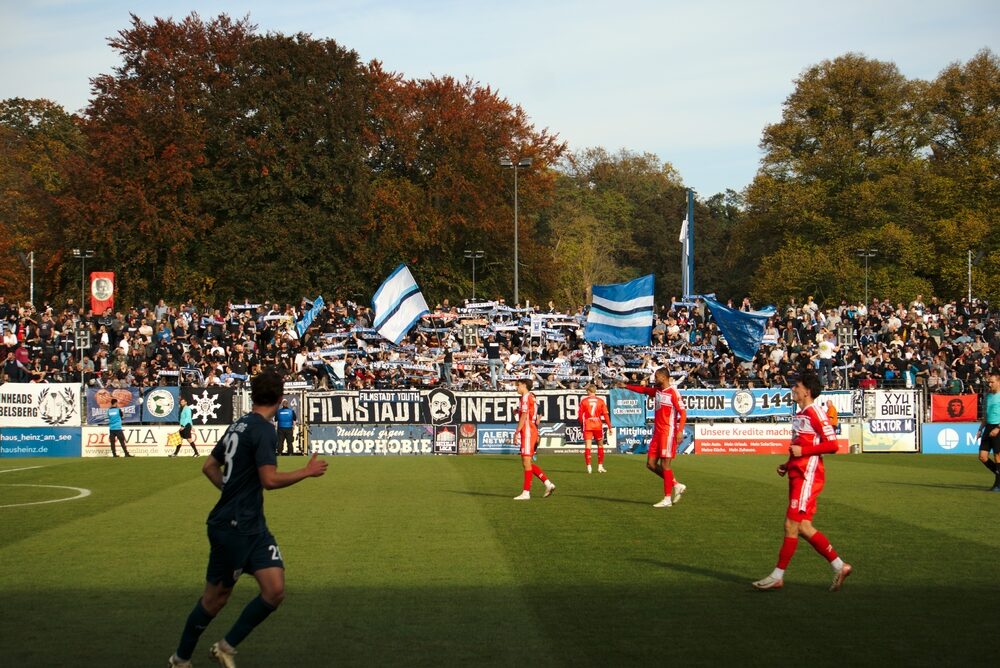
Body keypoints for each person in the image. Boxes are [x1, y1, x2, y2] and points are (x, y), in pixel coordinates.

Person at [168, 369, 328, 668]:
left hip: (252, 524)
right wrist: (306, 472)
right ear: (281, 399)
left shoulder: (239, 425)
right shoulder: (263, 430)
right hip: (234, 527)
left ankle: (225, 647)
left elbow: (209, 467)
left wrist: (232, 492)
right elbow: (269, 479)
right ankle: (180, 659)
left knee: (275, 590)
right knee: (215, 599)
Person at [752, 371, 852, 592]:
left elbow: (833, 445)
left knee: (791, 524)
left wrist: (802, 451)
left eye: (796, 386)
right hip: (797, 472)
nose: (793, 389)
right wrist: (787, 464)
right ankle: (840, 566)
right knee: (804, 527)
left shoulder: (816, 412)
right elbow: (799, 445)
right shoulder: (801, 414)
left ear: (806, 390)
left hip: (808, 475)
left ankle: (777, 575)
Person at [623, 367, 687, 507]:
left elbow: (683, 413)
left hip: (668, 432)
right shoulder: (658, 391)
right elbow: (644, 390)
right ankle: (676, 484)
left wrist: (680, 431)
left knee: (665, 465)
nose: (655, 379)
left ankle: (667, 499)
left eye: (657, 377)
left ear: (664, 377)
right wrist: (626, 386)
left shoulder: (673, 393)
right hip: (657, 433)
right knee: (650, 464)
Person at [512, 378, 556, 500]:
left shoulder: (526, 397)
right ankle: (548, 484)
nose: (517, 387)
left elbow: (525, 416)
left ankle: (526, 492)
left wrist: (516, 432)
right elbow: (528, 412)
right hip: (531, 430)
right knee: (528, 462)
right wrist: (518, 411)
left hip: (527, 431)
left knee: (526, 462)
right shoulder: (530, 397)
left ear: (524, 385)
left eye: (518, 385)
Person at [579, 384, 612, 474]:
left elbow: (580, 415)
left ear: (589, 391)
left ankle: (589, 467)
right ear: (595, 391)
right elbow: (605, 415)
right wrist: (609, 427)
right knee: (600, 445)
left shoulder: (584, 401)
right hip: (597, 424)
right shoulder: (600, 401)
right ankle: (600, 466)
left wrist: (582, 425)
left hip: (588, 424)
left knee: (588, 446)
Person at [976, 371, 1000, 492]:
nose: (990, 384)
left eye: (992, 382)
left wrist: (998, 428)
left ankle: (998, 484)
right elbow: (986, 415)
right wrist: (980, 429)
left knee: (997, 455)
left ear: (999, 382)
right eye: (988, 382)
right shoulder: (988, 396)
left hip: (998, 427)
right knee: (982, 456)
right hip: (988, 427)